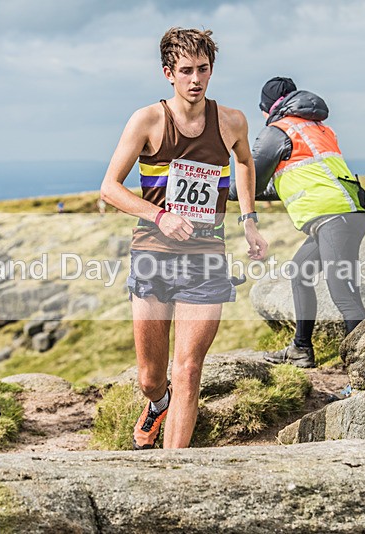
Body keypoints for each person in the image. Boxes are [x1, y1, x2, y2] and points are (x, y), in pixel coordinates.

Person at [100, 28, 268, 449]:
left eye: (203, 69)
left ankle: (172, 470)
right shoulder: (147, 121)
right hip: (153, 254)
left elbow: (244, 162)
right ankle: (158, 404)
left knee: (188, 370)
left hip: (206, 257)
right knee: (151, 378)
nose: (196, 79)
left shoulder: (231, 121)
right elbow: (109, 188)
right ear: (168, 73)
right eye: (186, 70)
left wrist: (249, 220)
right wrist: (160, 216)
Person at [231, 77, 365, 368]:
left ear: (268, 107)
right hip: (344, 214)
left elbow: (250, 182)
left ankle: (364, 370)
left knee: (343, 294)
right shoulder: (317, 128)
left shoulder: (277, 132)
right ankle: (301, 349)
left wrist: (219, 190)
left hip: (333, 218)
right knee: (299, 274)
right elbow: (297, 180)